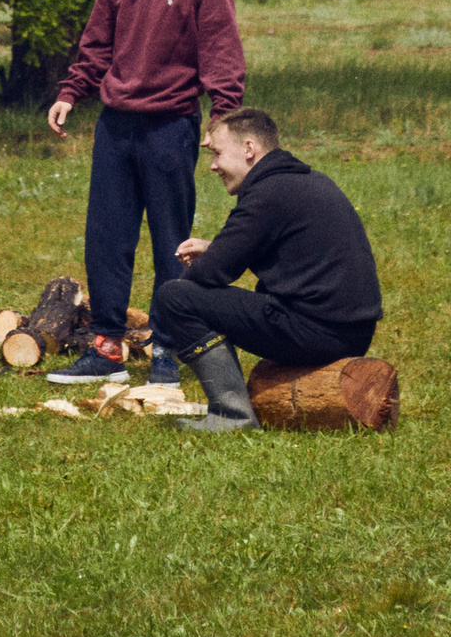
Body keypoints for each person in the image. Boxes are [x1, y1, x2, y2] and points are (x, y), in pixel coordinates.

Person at [46, 0, 246, 384]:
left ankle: (166, 350)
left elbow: (222, 58)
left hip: (170, 127)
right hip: (116, 126)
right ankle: (106, 350)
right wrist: (70, 92)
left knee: (170, 243)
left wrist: (221, 121)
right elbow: (96, 44)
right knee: (107, 238)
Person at [152, 105, 384, 432]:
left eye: (217, 153)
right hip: (351, 333)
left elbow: (208, 274)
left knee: (175, 297)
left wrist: (204, 267)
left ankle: (232, 416)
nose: (214, 165)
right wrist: (216, 249)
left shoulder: (267, 193)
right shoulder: (302, 181)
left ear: (249, 148)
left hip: (320, 335)